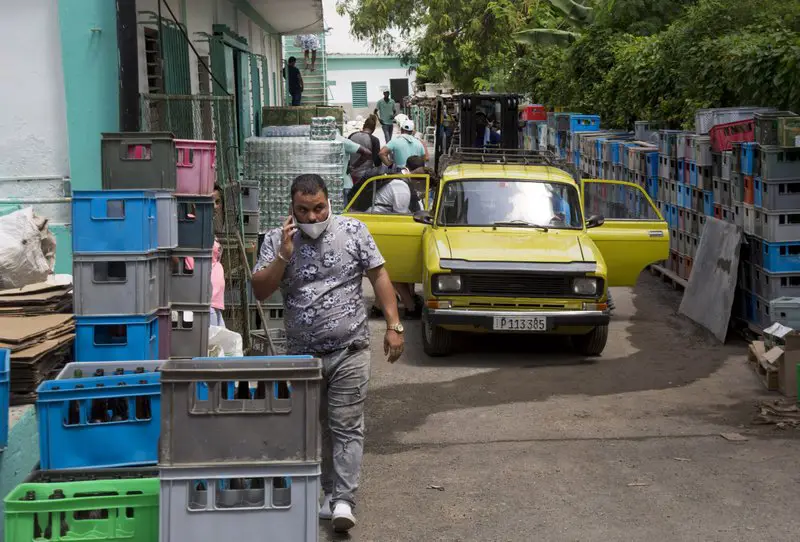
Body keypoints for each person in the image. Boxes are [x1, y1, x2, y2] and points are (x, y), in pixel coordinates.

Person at [251, 174, 404, 534]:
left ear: (328, 201)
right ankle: (328, 491)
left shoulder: (354, 231)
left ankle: (344, 500)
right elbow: (260, 289)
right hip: (302, 357)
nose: (313, 217)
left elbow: (379, 275)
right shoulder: (277, 241)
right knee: (317, 427)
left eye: (318, 208)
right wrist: (283, 258)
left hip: (350, 347)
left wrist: (394, 326)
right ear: (292, 208)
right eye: (303, 210)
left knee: (346, 425)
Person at [347, 115, 382, 203]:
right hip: (366, 176)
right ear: (373, 129)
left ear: (363, 126)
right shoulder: (374, 140)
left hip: (350, 174)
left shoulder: (352, 135)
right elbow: (377, 161)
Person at [337, 131, 372, 205]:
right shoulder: (342, 141)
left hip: (342, 186)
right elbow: (367, 153)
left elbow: (367, 153)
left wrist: (352, 167)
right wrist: (352, 167)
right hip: (342, 185)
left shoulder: (342, 141)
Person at [210, 184, 226, 327]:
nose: (215, 206)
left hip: (215, 301)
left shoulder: (210, 228)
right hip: (206, 302)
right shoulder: (192, 226)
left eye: (217, 202)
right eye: (210, 201)